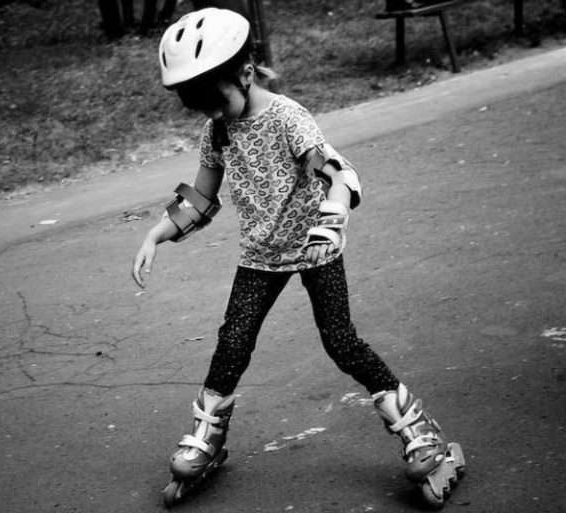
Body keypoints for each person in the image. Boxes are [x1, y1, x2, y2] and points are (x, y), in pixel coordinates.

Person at [131, 7, 464, 508]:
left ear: (245, 72)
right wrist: (155, 235)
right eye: (198, 105)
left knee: (342, 343)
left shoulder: (288, 117)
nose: (212, 113)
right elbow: (201, 198)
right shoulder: (217, 130)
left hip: (314, 247)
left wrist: (333, 208)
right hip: (260, 255)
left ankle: (421, 431)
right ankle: (207, 437)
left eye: (215, 99)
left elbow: (333, 170)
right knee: (232, 344)